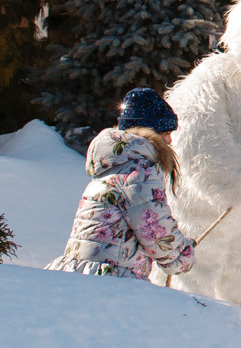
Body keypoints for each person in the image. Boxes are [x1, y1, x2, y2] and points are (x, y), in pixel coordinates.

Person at [49, 88, 196, 283]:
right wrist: (182, 256)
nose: (170, 140)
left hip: (82, 273)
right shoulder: (139, 172)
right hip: (111, 279)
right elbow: (154, 228)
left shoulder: (114, 166)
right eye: (166, 132)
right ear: (150, 133)